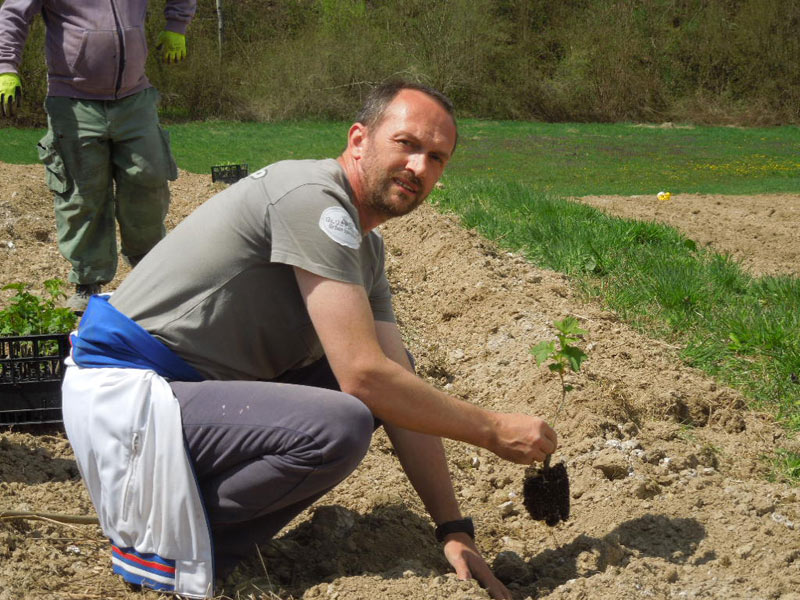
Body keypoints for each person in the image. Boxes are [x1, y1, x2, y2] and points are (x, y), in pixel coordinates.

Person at [60, 81, 558, 600]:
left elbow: (394, 377)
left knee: (393, 376)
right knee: (339, 424)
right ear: (359, 139)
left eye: (436, 157)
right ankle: (168, 540)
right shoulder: (314, 200)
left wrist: (453, 529)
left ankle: (189, 530)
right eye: (407, 144)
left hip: (189, 394)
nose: (419, 168)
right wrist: (491, 430)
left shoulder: (366, 249)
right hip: (128, 391)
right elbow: (363, 377)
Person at [0, 0, 196, 312]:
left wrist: (177, 26)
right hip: (73, 101)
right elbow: (14, 13)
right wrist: (6, 67)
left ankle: (148, 268)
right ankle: (88, 281)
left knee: (149, 181)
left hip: (135, 99)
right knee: (81, 195)